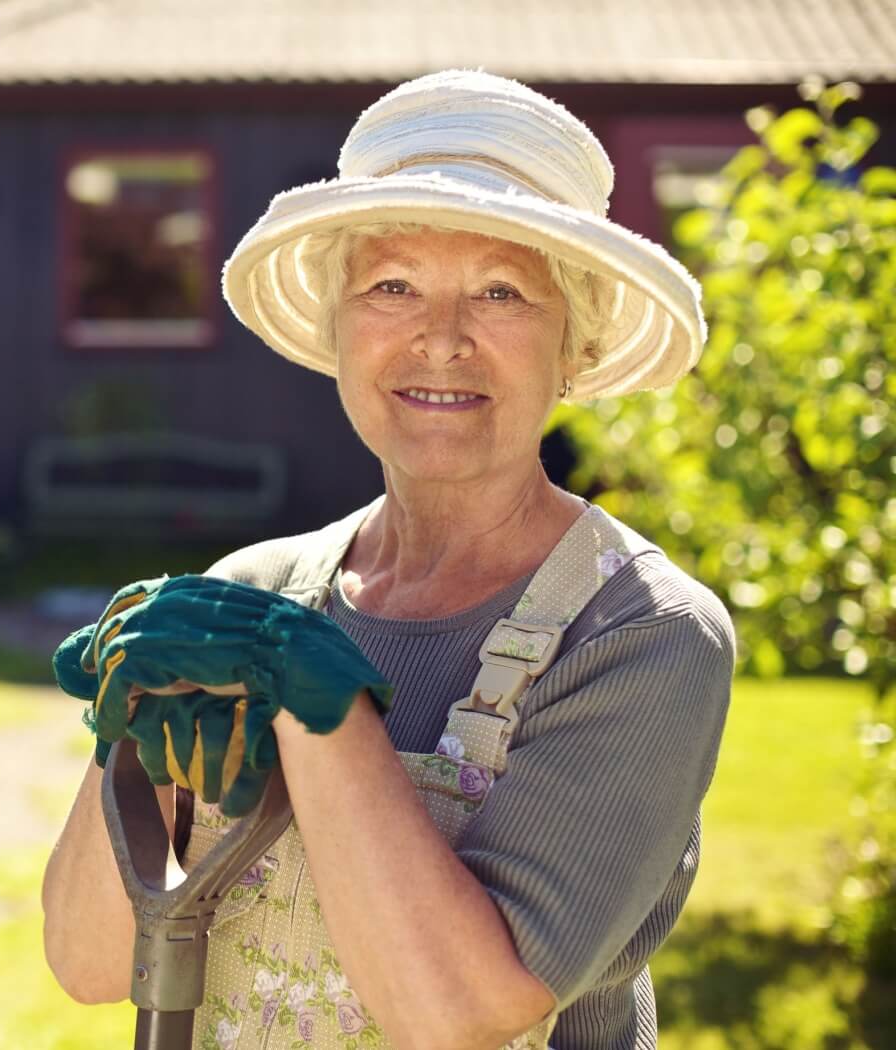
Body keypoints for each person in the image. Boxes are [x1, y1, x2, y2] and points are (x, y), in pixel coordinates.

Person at [40, 70, 735, 1050]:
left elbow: (460, 1014)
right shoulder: (253, 591)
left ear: (573, 346)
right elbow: (87, 961)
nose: (439, 340)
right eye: (392, 286)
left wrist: (318, 714)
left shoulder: (640, 634)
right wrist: (130, 746)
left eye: (500, 292)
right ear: (336, 329)